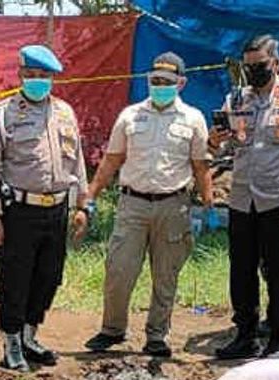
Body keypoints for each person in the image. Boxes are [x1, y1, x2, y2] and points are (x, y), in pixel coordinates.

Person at [82, 52, 213, 359]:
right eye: (154, 80)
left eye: (166, 82)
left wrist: (208, 205)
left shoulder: (193, 118)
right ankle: (112, 329)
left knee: (165, 275)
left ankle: (157, 335)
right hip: (132, 204)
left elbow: (200, 165)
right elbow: (112, 159)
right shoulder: (130, 115)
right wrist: (91, 195)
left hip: (173, 206)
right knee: (118, 270)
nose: (159, 86)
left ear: (181, 83)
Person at [0, 44, 89, 371]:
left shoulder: (65, 112)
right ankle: (11, 342)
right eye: (32, 75)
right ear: (21, 75)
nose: (38, 80)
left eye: (44, 76)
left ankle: (29, 335)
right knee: (15, 277)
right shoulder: (3, 114)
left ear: (52, 78)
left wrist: (83, 205)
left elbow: (77, 161)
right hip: (19, 212)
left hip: (56, 210)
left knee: (48, 276)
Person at [211, 35, 279, 360]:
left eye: (259, 66)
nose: (253, 72)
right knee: (241, 270)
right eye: (248, 67)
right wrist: (216, 141)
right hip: (242, 198)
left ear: (275, 62)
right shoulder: (237, 99)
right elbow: (227, 147)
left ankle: (277, 340)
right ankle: (245, 334)